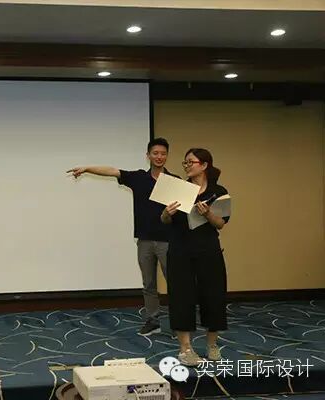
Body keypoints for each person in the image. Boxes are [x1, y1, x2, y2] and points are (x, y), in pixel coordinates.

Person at [67, 138, 177, 336]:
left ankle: (181, 322)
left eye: (163, 153)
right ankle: (152, 321)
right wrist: (87, 168)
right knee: (148, 284)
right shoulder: (139, 177)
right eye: (155, 153)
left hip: (168, 240)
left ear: (167, 156)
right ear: (148, 156)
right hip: (144, 240)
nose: (159, 157)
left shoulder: (175, 181)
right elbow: (112, 171)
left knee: (176, 282)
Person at [160, 148, 229, 366]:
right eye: (185, 163)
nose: (187, 166)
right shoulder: (179, 189)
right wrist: (166, 214)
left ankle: (212, 345)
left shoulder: (219, 191)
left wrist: (207, 213)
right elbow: (164, 220)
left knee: (213, 295)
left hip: (208, 250)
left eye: (191, 162)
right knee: (181, 297)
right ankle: (185, 349)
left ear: (204, 165)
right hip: (180, 250)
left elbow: (221, 223)